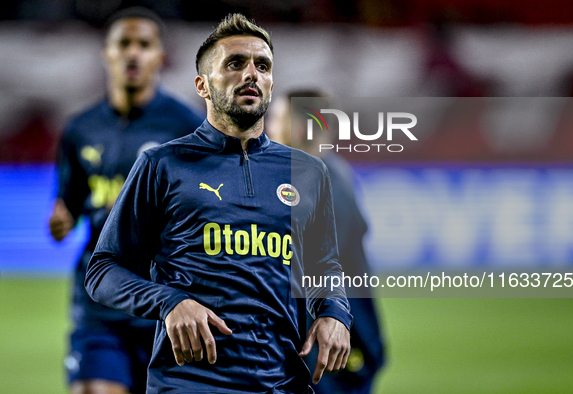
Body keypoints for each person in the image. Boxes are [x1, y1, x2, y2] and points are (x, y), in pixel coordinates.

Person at [84, 13, 352, 394]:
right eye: (235, 63)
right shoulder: (162, 165)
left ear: (272, 84)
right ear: (202, 86)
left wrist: (334, 312)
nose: (251, 74)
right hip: (191, 382)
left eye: (263, 65)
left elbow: (324, 264)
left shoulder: (307, 172)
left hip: (281, 381)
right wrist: (169, 302)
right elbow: (103, 271)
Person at [48, 7, 205, 394]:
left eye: (144, 45)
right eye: (124, 44)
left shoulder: (185, 127)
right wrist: (61, 219)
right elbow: (67, 206)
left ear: (159, 56)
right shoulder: (80, 130)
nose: (133, 53)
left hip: (164, 305)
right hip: (100, 303)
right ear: (107, 53)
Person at [267, 90, 385, 394]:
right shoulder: (330, 172)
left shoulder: (319, 186)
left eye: (277, 119)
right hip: (342, 341)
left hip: (334, 347)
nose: (268, 129)